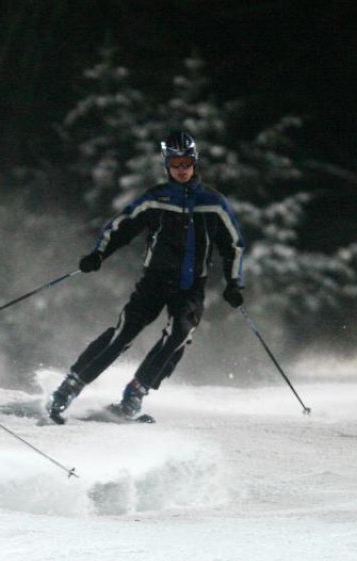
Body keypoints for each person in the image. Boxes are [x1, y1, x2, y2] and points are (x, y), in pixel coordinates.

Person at [47, 131, 246, 424]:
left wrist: (233, 284)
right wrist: (98, 254)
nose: (182, 169)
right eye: (175, 163)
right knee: (124, 332)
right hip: (154, 282)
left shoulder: (213, 202)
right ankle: (70, 386)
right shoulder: (156, 199)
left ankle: (135, 392)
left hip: (190, 286)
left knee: (180, 333)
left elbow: (234, 245)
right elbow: (122, 227)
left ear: (195, 162)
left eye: (187, 162)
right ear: (167, 165)